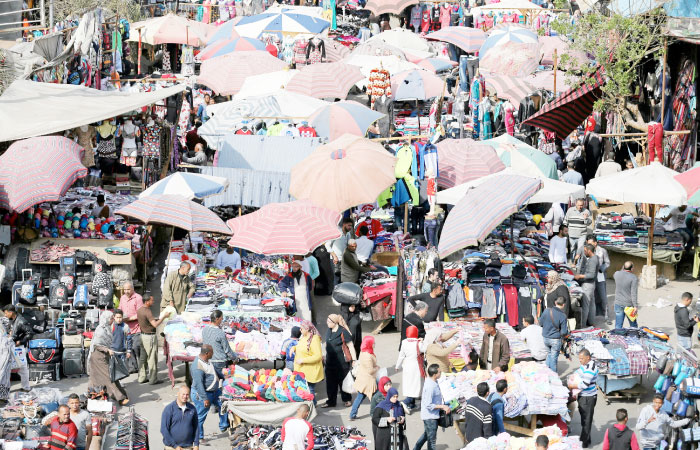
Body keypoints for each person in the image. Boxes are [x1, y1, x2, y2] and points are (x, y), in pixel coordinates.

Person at [88, 311, 129, 405]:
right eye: (111, 318)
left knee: (97, 378)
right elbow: (97, 345)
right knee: (109, 377)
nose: (112, 320)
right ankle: (120, 398)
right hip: (98, 357)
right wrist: (107, 350)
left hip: (104, 356)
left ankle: (93, 395)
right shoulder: (100, 330)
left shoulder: (107, 328)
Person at [191, 345, 228, 442]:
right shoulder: (197, 366)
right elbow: (199, 385)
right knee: (201, 416)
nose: (213, 354)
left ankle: (224, 425)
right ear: (207, 353)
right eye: (212, 352)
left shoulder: (206, 360)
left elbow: (213, 370)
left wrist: (223, 377)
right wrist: (205, 399)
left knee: (223, 403)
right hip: (203, 394)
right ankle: (199, 437)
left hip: (214, 392)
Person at [321, 314, 354, 409]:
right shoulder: (329, 331)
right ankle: (331, 401)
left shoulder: (343, 331)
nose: (327, 323)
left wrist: (354, 360)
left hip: (341, 362)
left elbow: (350, 346)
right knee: (330, 383)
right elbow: (327, 344)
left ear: (334, 322)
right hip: (330, 361)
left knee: (343, 381)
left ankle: (347, 399)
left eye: (329, 321)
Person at [413, 364, 450, 450]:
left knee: (427, 435)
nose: (441, 373)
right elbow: (428, 405)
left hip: (431, 415)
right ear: (435, 374)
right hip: (430, 417)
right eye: (439, 372)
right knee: (432, 440)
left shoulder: (433, 382)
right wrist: (443, 407)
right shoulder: (430, 386)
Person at [137, 294, 171, 385]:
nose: (153, 302)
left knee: (142, 358)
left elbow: (147, 321)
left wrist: (156, 319)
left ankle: (142, 377)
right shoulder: (148, 312)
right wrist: (164, 317)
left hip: (142, 336)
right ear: (147, 301)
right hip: (149, 337)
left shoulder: (140, 310)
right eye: (152, 300)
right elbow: (155, 325)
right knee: (152, 358)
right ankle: (153, 379)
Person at [577, 235, 610, 322]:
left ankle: (607, 315)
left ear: (595, 243)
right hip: (589, 277)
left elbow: (607, 263)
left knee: (603, 296)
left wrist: (600, 269)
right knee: (592, 297)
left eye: (591, 243)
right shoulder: (586, 250)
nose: (589, 245)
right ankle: (593, 316)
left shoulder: (602, 251)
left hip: (599, 276)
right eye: (588, 243)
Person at [568, 349, 598, 448]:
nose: (580, 360)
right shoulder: (585, 364)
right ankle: (586, 438)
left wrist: (572, 385)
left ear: (588, 357)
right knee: (584, 418)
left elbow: (584, 385)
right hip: (583, 396)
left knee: (587, 420)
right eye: (579, 358)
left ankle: (584, 442)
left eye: (581, 358)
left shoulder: (590, 368)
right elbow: (579, 371)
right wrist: (572, 376)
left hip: (588, 397)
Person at [395, 325, 427, 412]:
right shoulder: (418, 343)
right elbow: (425, 349)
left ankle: (411, 404)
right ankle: (406, 402)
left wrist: (397, 366)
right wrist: (423, 341)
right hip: (415, 366)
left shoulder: (404, 342)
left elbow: (401, 356)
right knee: (416, 386)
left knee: (409, 384)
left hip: (407, 365)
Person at [161, 385, 200, 450]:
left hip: (188, 447)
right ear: (178, 394)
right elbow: (164, 430)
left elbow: (196, 427)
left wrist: (196, 444)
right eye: (183, 394)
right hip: (172, 447)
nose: (185, 396)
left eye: (187, 394)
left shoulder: (192, 409)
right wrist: (175, 446)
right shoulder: (169, 409)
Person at [350, 336, 380, 420]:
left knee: (360, 397)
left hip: (362, 379)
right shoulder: (368, 356)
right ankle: (375, 414)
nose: (374, 344)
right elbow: (370, 370)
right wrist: (377, 368)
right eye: (373, 343)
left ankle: (352, 414)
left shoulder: (363, 352)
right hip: (368, 381)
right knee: (376, 397)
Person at [2, 306, 31, 391]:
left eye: (6, 312)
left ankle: (26, 387)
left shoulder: (21, 321)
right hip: (9, 346)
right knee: (6, 368)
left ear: (11, 312)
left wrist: (21, 341)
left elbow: (29, 333)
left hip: (19, 347)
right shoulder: (10, 320)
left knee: (22, 368)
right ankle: (5, 390)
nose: (5, 314)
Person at [294, 321, 323, 402]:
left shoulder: (314, 339)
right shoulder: (303, 337)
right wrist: (294, 348)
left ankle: (312, 407)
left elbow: (318, 356)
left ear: (307, 329)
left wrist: (303, 360)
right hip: (302, 370)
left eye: (301, 328)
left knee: (310, 390)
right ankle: (310, 406)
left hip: (311, 371)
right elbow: (301, 347)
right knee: (305, 390)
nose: (300, 330)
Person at [202, 310, 237, 379]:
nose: (222, 320)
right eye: (221, 318)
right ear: (217, 319)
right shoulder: (220, 333)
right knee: (224, 382)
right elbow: (227, 350)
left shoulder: (205, 330)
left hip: (208, 360)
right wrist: (235, 358)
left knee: (212, 382)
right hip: (219, 362)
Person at [539, 297, 569, 373]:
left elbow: (540, 323)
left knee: (549, 355)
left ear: (556, 302)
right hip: (555, 339)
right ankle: (553, 377)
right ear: (563, 305)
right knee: (553, 359)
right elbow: (564, 332)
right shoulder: (563, 316)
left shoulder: (546, 311)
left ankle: (546, 374)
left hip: (545, 338)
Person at [118, 282, 143, 373]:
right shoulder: (122, 298)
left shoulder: (138, 298)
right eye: (125, 289)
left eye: (128, 289)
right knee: (129, 348)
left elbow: (140, 313)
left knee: (137, 347)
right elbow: (120, 309)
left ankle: (143, 367)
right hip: (126, 328)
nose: (126, 291)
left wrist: (129, 319)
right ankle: (133, 367)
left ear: (132, 289)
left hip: (136, 327)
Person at [575, 244, 599, 328]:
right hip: (591, 284)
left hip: (588, 285)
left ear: (589, 251)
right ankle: (591, 322)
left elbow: (591, 275)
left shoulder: (592, 260)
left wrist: (580, 276)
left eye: (585, 251)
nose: (584, 252)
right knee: (591, 304)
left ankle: (583, 325)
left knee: (585, 306)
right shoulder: (595, 258)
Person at [613, 262, 639, 328]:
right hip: (629, 305)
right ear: (632, 269)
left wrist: (624, 267)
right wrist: (635, 306)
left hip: (618, 303)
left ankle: (617, 336)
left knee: (618, 325)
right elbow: (633, 293)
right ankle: (634, 336)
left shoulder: (616, 274)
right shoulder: (634, 278)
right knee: (633, 325)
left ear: (623, 267)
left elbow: (621, 271)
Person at [330, 218, 355, 283]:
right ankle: (335, 292)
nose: (350, 227)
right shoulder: (337, 232)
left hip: (343, 259)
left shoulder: (348, 234)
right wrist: (334, 256)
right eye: (349, 225)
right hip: (335, 260)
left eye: (351, 226)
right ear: (344, 224)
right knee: (336, 279)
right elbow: (327, 245)